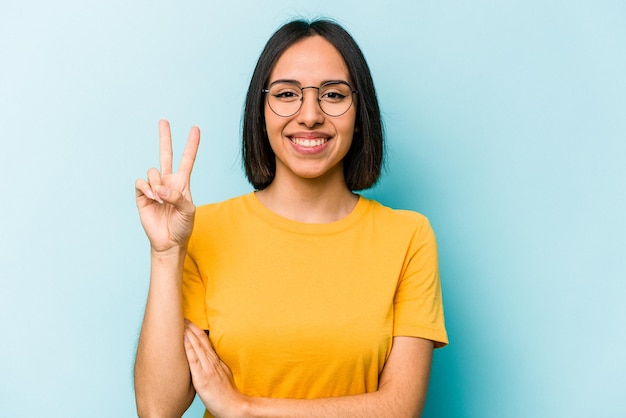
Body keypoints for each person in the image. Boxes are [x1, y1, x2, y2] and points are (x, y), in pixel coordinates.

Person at [134, 18, 447, 418]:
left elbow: (398, 408)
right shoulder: (204, 230)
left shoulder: (408, 236)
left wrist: (243, 408)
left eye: (333, 95)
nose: (310, 115)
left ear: (360, 110)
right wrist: (165, 253)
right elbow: (158, 409)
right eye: (287, 94)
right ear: (260, 110)